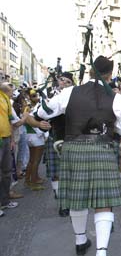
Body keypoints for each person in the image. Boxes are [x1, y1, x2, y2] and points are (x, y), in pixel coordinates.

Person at [35, 56, 121, 256]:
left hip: (74, 149)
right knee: (103, 201)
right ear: (109, 74)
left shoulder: (69, 92)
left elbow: (43, 112)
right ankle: (101, 255)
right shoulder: (117, 99)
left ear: (90, 72)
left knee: (77, 198)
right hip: (103, 149)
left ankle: (80, 242)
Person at [45, 72, 74, 216]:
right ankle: (61, 202)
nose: (64, 83)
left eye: (68, 82)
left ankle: (68, 200)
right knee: (57, 173)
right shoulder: (48, 96)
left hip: (71, 138)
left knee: (69, 173)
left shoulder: (75, 98)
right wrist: (40, 123)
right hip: (54, 137)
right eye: (62, 80)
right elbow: (34, 117)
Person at [0, 82, 20, 217]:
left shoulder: (5, 98)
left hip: (6, 139)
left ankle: (4, 201)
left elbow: (10, 120)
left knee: (6, 171)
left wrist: (12, 139)